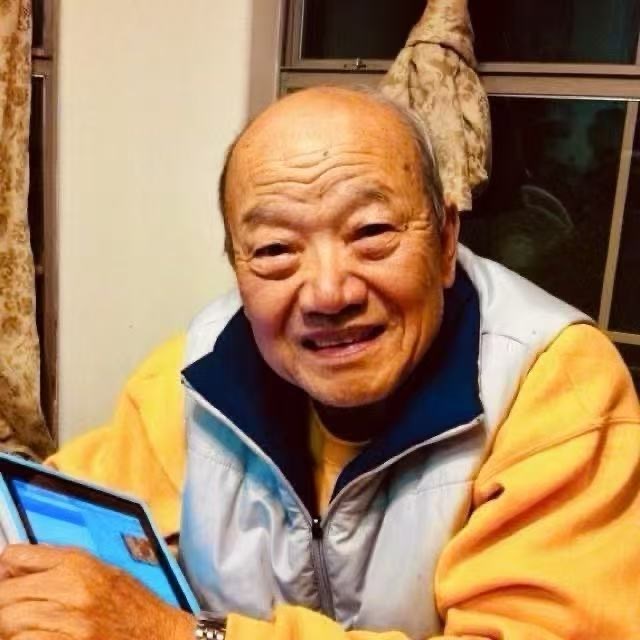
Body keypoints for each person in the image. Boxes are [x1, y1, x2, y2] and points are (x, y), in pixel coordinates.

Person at [2, 86, 640, 640]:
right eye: (275, 249)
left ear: (447, 240)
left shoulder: (556, 389)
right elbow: (43, 513)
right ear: (238, 266)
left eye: (372, 233)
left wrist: (179, 633)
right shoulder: (193, 374)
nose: (329, 294)